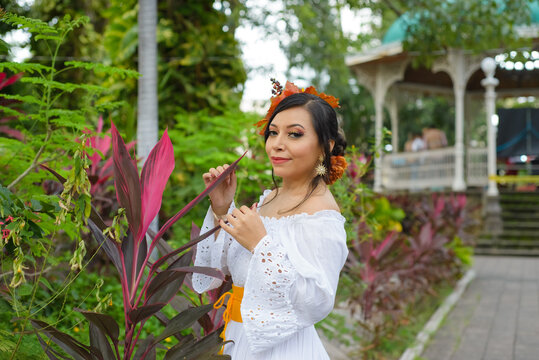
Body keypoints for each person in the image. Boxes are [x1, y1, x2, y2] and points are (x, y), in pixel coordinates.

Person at [192, 82, 349, 359]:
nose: (277, 144)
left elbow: (317, 300)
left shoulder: (323, 216)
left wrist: (261, 244)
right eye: (273, 133)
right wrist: (221, 207)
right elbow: (227, 268)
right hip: (237, 338)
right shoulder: (269, 198)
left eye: (295, 134)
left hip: (283, 350)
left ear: (326, 146)